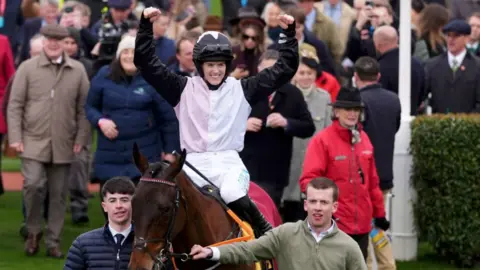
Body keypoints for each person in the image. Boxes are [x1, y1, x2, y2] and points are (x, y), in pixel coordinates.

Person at [134, 7, 299, 238]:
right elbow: (146, 64)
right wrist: (144, 27)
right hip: (192, 164)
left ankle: (265, 233)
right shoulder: (181, 88)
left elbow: (285, 69)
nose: (216, 70)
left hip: (228, 163)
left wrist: (288, 36)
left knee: (232, 192)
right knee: (166, 202)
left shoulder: (244, 88)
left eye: (221, 65)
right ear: (200, 65)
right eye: (210, 65)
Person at [189, 177, 367, 270]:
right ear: (305, 205)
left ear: (334, 207)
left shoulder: (349, 247)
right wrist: (211, 251)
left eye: (324, 202)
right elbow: (247, 250)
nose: (317, 208)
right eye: (313, 202)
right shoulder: (285, 234)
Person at [299, 87, 389, 259]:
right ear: (336, 111)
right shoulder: (322, 141)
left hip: (362, 226)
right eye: (348, 109)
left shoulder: (365, 140)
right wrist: (324, 212)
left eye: (356, 109)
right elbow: (308, 181)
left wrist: (380, 214)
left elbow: (372, 183)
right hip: (333, 226)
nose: (352, 114)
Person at [64, 177, 135, 270]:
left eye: (124, 200)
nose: (118, 206)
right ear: (104, 206)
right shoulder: (82, 244)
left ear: (134, 204)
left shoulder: (146, 245)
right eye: (112, 201)